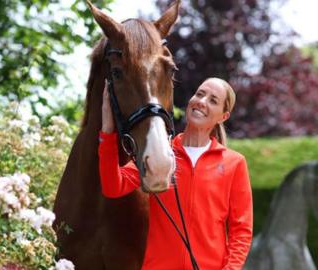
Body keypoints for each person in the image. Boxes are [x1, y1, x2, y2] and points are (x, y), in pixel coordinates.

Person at [98, 77, 253, 270]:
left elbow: (241, 231)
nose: (202, 102)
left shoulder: (234, 163)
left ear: (223, 116)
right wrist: (107, 132)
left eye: (213, 100)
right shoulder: (159, 154)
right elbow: (113, 187)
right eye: (200, 94)